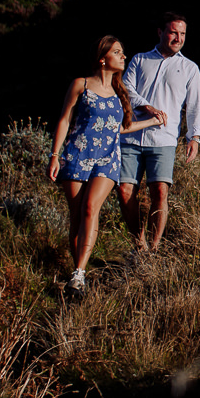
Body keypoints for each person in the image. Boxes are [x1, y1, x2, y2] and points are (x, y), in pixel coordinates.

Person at [48, 36, 167, 296]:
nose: (123, 56)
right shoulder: (81, 85)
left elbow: (123, 128)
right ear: (103, 58)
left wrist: (151, 122)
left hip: (107, 159)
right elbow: (65, 120)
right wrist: (55, 155)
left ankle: (79, 276)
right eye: (117, 52)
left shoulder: (120, 91)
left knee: (91, 208)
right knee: (77, 215)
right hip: (77, 155)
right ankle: (77, 269)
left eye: (123, 52)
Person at [120, 12, 200, 252]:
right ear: (160, 32)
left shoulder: (189, 68)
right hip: (131, 135)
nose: (178, 38)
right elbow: (126, 89)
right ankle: (139, 243)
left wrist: (194, 137)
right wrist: (146, 107)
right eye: (173, 32)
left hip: (164, 139)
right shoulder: (139, 60)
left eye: (182, 34)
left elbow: (195, 105)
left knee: (159, 190)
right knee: (125, 190)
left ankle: (154, 249)